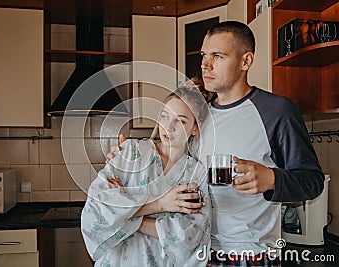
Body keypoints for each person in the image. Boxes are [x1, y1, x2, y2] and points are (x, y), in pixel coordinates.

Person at [109, 21, 324, 266]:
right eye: (203, 55)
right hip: (192, 251)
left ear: (246, 61)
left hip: (247, 256)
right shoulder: (197, 116)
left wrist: (271, 179)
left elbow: (312, 181)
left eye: (217, 56)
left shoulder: (277, 112)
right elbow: (167, 163)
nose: (205, 65)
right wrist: (126, 161)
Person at [81, 84, 212, 267]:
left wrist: (127, 213)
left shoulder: (196, 174)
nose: (168, 127)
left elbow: (191, 237)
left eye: (180, 121)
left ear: (195, 128)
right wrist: (161, 204)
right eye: (165, 117)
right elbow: (95, 212)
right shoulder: (131, 152)